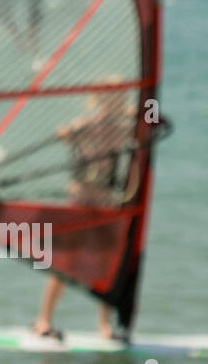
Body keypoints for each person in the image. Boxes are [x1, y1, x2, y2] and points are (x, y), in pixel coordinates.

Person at [31, 86, 135, 341]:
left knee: (108, 262)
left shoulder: (126, 127)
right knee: (66, 261)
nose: (115, 102)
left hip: (106, 196)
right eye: (110, 97)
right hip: (81, 194)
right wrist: (69, 132)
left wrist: (145, 113)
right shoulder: (87, 124)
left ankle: (105, 325)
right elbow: (63, 134)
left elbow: (146, 119)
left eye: (119, 98)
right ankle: (43, 320)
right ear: (100, 100)